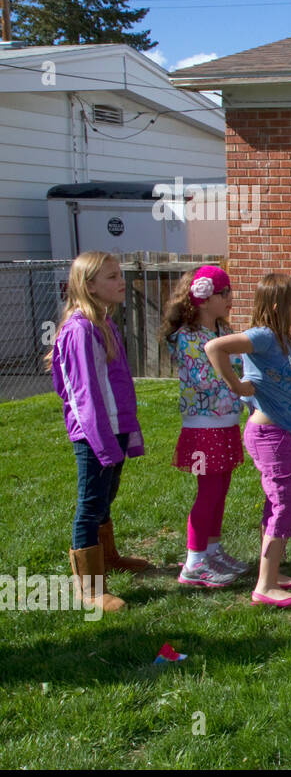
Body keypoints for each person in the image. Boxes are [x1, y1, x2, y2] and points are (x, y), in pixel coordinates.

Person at [50, 251, 150, 614]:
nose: (121, 281)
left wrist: (125, 430)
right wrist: (101, 439)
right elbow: (82, 394)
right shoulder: (79, 330)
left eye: (120, 274)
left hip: (114, 427)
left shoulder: (104, 323)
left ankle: (108, 557)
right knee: (90, 503)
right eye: (111, 277)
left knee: (106, 495)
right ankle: (89, 589)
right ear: (89, 285)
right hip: (95, 433)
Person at [206, 273, 291, 608]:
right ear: (280, 306)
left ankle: (274, 572)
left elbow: (276, 383)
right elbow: (215, 347)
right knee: (285, 505)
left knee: (277, 503)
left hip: (283, 431)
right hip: (270, 436)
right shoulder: (264, 336)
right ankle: (264, 586)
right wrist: (237, 386)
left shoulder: (281, 339)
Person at [161, 265, 249, 588]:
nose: (230, 298)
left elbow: (235, 367)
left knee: (220, 489)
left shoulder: (219, 332)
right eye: (224, 293)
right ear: (202, 297)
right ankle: (194, 562)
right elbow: (205, 379)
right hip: (203, 428)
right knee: (208, 492)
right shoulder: (187, 338)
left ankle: (211, 549)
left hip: (225, 423)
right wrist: (239, 385)